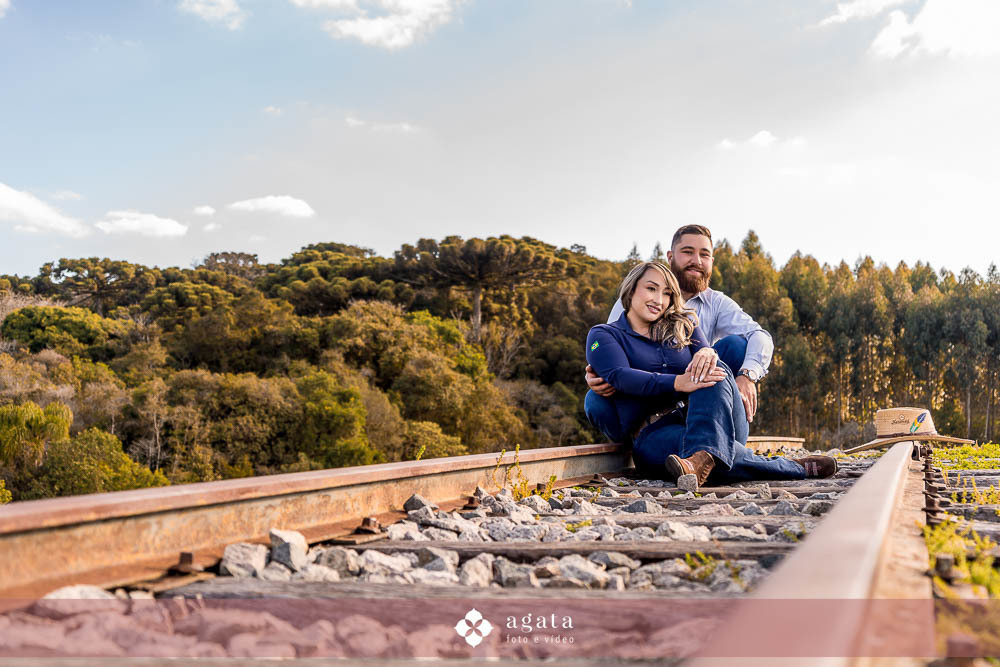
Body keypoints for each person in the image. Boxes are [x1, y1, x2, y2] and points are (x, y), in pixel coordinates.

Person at [585, 261, 836, 485]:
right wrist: (678, 382)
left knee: (714, 366)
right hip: (656, 431)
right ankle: (791, 467)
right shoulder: (603, 335)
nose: (659, 300)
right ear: (631, 289)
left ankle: (701, 458)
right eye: (651, 289)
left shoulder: (684, 323)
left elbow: (707, 353)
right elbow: (619, 375)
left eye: (667, 293)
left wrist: (707, 352)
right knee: (714, 452)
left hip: (709, 415)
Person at [587, 225, 769, 442]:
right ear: (671, 256)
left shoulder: (713, 305)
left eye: (704, 254)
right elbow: (611, 350)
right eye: (688, 252)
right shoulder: (634, 301)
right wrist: (600, 373)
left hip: (697, 390)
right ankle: (636, 440)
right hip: (645, 390)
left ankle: (716, 434)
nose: (697, 261)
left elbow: (759, 335)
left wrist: (747, 376)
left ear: (712, 261)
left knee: (734, 347)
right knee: (594, 400)